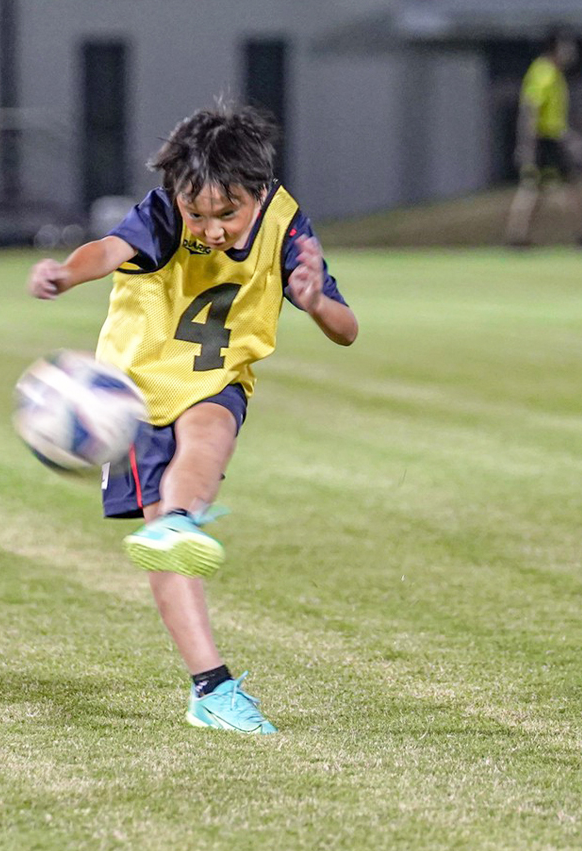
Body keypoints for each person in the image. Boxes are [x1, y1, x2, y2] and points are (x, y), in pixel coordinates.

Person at [27, 104, 358, 734]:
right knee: (171, 550)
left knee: (210, 431)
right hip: (134, 397)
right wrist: (66, 274)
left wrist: (314, 303)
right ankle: (210, 688)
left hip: (217, 377)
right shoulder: (160, 214)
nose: (209, 229)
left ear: (260, 195)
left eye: (225, 215)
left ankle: (177, 522)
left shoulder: (286, 228)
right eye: (196, 212)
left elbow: (348, 329)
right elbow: (108, 249)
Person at [505, 27, 582, 248]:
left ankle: (520, 238)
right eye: (567, 46)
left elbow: (554, 118)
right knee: (538, 189)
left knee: (544, 189)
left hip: (551, 138)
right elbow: (531, 109)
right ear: (555, 47)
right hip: (543, 140)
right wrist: (526, 144)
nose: (571, 51)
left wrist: (569, 138)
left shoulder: (553, 73)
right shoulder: (544, 73)